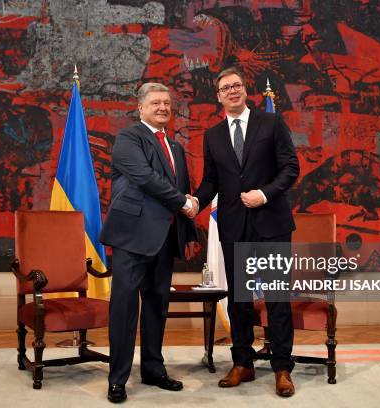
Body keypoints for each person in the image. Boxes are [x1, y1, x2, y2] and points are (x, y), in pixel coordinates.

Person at [190, 67, 300, 397]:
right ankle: (243, 363)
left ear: (244, 89)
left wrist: (264, 194)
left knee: (277, 298)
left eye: (237, 85)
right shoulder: (213, 135)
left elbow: (290, 167)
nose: (233, 91)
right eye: (226, 88)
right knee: (239, 298)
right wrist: (196, 201)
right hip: (234, 226)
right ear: (219, 96)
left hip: (271, 224)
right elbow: (212, 180)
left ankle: (282, 367)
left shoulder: (271, 123)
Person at [99, 82, 198, 403]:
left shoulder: (176, 147)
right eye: (156, 103)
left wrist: (191, 208)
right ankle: (118, 379)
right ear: (140, 107)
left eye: (167, 103)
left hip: (165, 239)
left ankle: (154, 370)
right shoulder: (129, 138)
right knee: (125, 309)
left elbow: (181, 187)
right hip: (132, 237)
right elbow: (144, 178)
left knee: (157, 307)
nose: (163, 108)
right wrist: (183, 202)